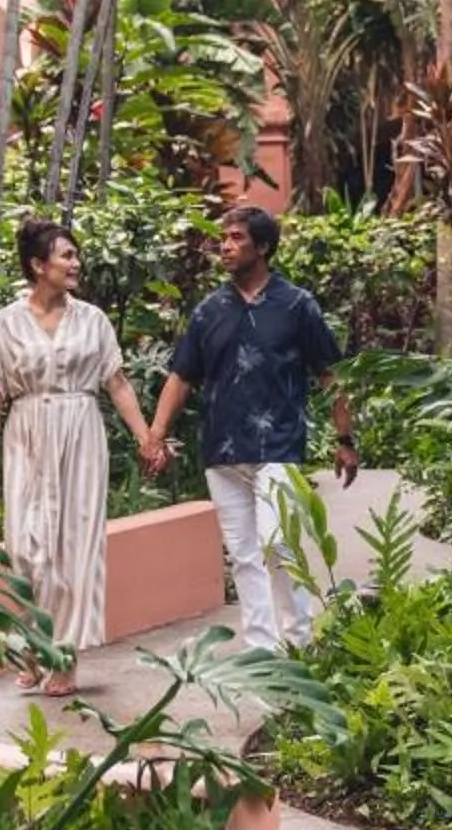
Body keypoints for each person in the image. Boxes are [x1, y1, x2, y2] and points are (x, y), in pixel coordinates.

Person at [142, 206, 358, 653]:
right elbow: (181, 376)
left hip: (279, 447)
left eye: (237, 237)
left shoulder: (297, 305)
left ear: (263, 247)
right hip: (221, 452)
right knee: (243, 556)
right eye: (224, 237)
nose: (225, 245)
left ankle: (297, 640)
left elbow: (333, 376)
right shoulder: (209, 310)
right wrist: (156, 434)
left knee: (277, 544)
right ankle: (261, 648)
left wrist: (345, 440)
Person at [0, 220, 157, 695]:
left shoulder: (92, 319)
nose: (75, 264)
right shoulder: (6, 324)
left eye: (76, 255)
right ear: (38, 265)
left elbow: (116, 383)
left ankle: (65, 657)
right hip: (27, 435)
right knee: (26, 546)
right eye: (66, 256)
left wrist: (145, 439)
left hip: (80, 433)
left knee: (75, 546)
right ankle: (33, 646)